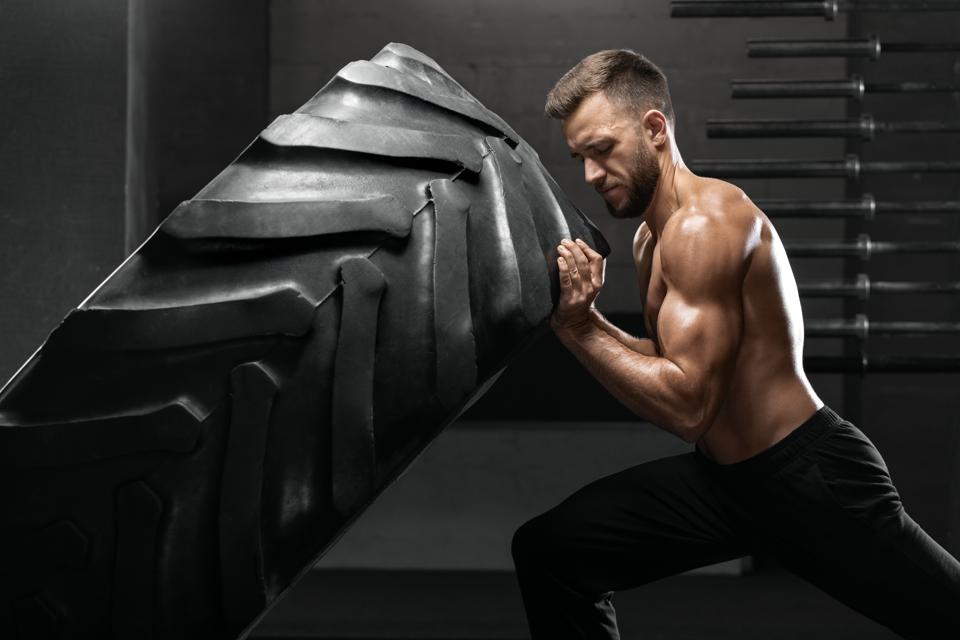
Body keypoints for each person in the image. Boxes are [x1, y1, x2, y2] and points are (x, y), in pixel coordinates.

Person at [510, 49, 960, 640]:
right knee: (552, 551)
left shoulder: (707, 224)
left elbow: (688, 406)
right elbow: (671, 360)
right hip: (727, 485)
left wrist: (579, 329)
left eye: (602, 150)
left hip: (810, 480)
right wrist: (580, 315)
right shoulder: (652, 238)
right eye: (581, 158)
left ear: (654, 129)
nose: (591, 174)